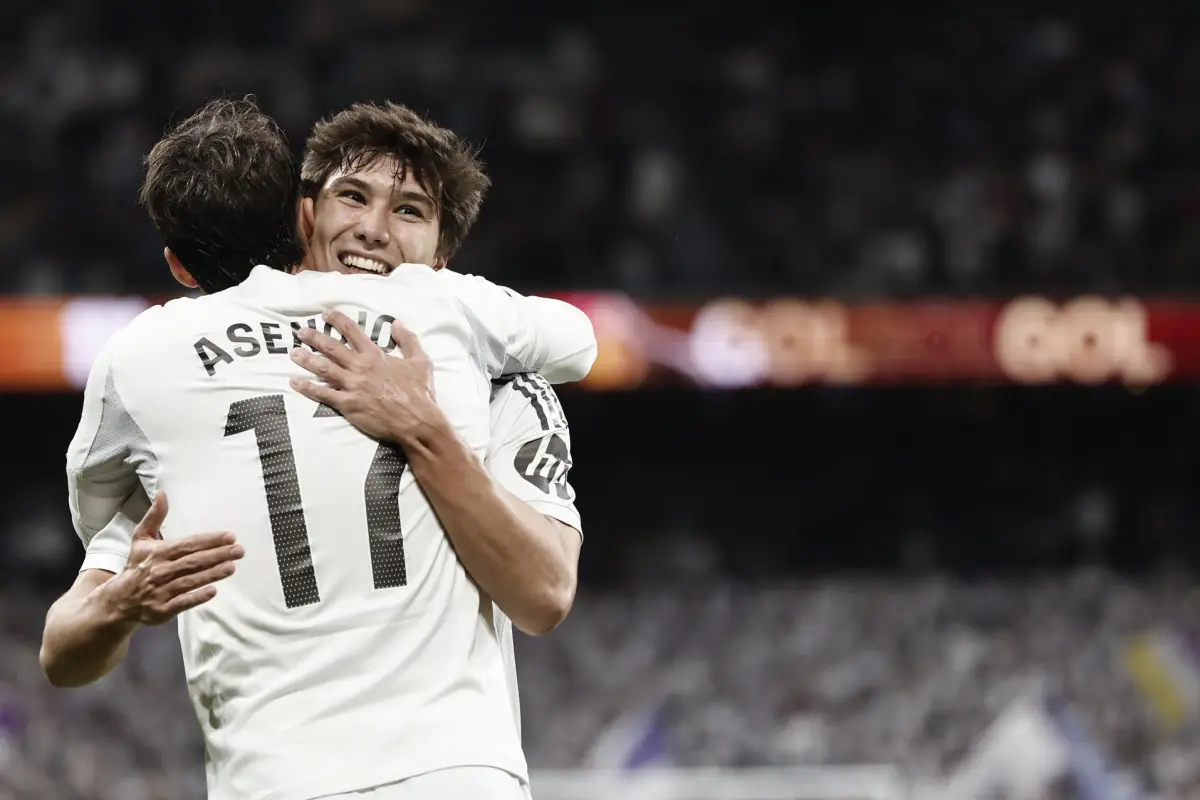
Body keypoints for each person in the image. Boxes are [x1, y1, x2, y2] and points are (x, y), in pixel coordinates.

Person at [40, 97, 593, 800]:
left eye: (410, 210)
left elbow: (544, 593)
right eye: (352, 197)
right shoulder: (451, 318)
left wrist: (424, 428)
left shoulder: (155, 361)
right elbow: (579, 338)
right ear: (305, 215)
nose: (373, 229)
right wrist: (119, 603)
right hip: (416, 776)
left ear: (441, 258)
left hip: (332, 778)